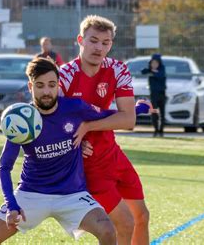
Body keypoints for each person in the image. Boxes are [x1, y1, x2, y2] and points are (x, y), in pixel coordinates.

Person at [0, 58, 117, 245]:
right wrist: (12, 205)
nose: (47, 91)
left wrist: (139, 108)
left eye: (52, 85)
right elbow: (4, 167)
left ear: (58, 85)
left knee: (107, 230)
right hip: (31, 193)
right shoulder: (22, 120)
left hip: (72, 194)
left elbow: (107, 114)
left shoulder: (73, 108)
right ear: (30, 86)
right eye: (40, 85)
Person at [59, 15, 150, 245]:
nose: (99, 48)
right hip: (90, 165)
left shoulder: (118, 69)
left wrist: (89, 126)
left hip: (113, 154)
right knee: (124, 223)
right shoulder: (65, 75)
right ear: (80, 40)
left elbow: (128, 119)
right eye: (93, 40)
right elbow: (52, 119)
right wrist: (72, 142)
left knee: (141, 216)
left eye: (105, 42)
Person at [141, 54, 167, 137]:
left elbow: (160, 75)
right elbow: (143, 71)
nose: (154, 65)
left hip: (161, 94)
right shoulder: (150, 70)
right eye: (152, 63)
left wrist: (154, 72)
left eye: (156, 63)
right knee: (154, 113)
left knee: (162, 114)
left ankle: (161, 131)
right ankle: (156, 130)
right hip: (153, 95)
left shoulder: (162, 69)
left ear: (159, 63)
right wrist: (151, 70)